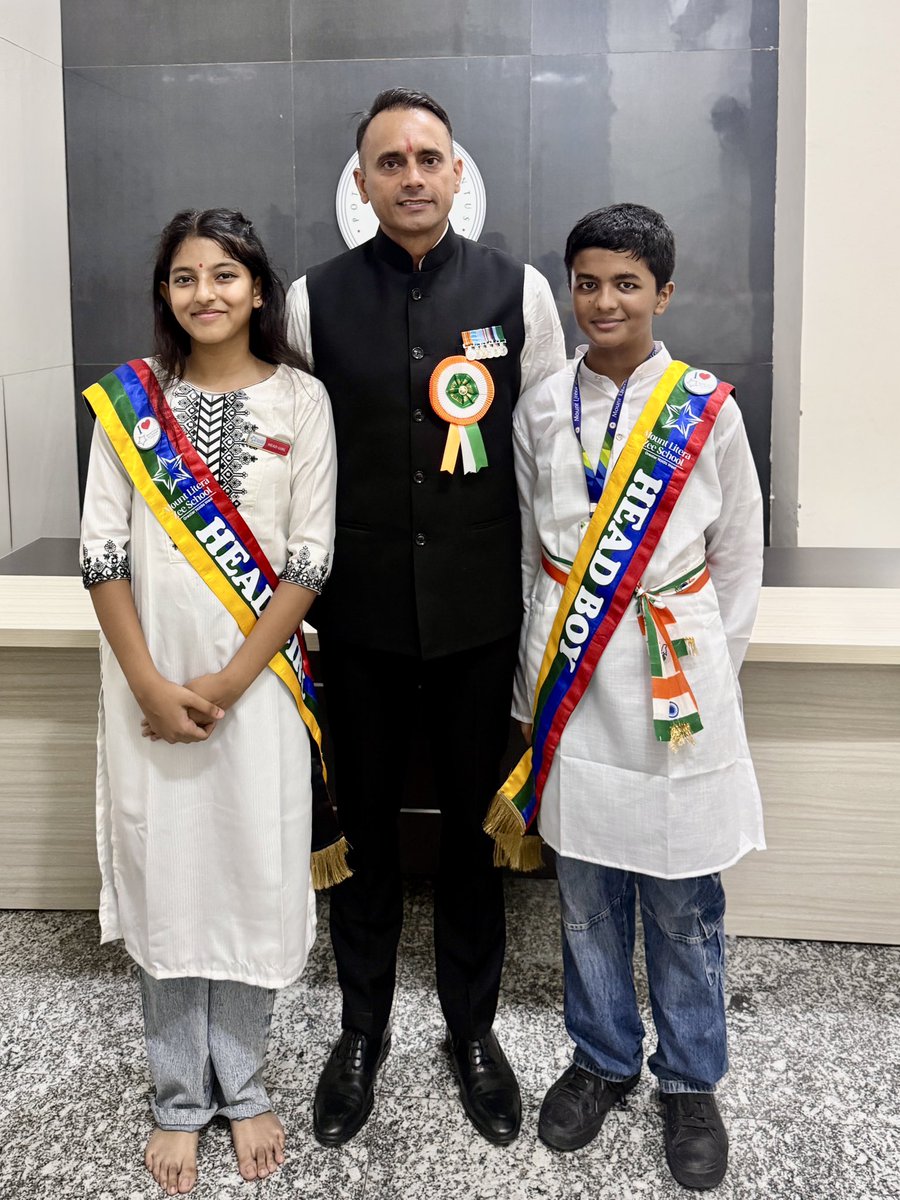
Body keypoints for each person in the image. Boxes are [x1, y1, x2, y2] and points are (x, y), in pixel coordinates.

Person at [286, 87, 565, 1146]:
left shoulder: (519, 292)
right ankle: (360, 1029)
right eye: (390, 162)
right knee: (361, 832)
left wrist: (541, 612)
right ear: (361, 183)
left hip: (477, 620)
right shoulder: (310, 301)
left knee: (468, 837)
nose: (411, 176)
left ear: (457, 173)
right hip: (354, 621)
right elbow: (299, 459)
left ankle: (473, 1029)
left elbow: (541, 458)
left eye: (428, 158)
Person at [498, 203, 764, 1190]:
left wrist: (713, 668)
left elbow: (739, 553)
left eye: (626, 283)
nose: (604, 301)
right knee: (584, 896)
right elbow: (528, 544)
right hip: (572, 673)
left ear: (663, 292)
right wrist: (533, 678)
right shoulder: (540, 406)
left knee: (684, 899)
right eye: (588, 283)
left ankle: (690, 1080)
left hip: (672, 675)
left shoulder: (706, 407)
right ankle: (603, 1058)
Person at [80, 209, 336, 1195]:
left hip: (257, 690)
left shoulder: (301, 400)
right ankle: (179, 1095)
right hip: (146, 686)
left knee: (248, 871)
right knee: (168, 874)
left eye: (225, 275)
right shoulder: (131, 405)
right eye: (185, 278)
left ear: (258, 288)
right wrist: (150, 682)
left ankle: (247, 1082)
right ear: (166, 294)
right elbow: (102, 552)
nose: (205, 294)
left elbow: (310, 556)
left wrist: (230, 680)